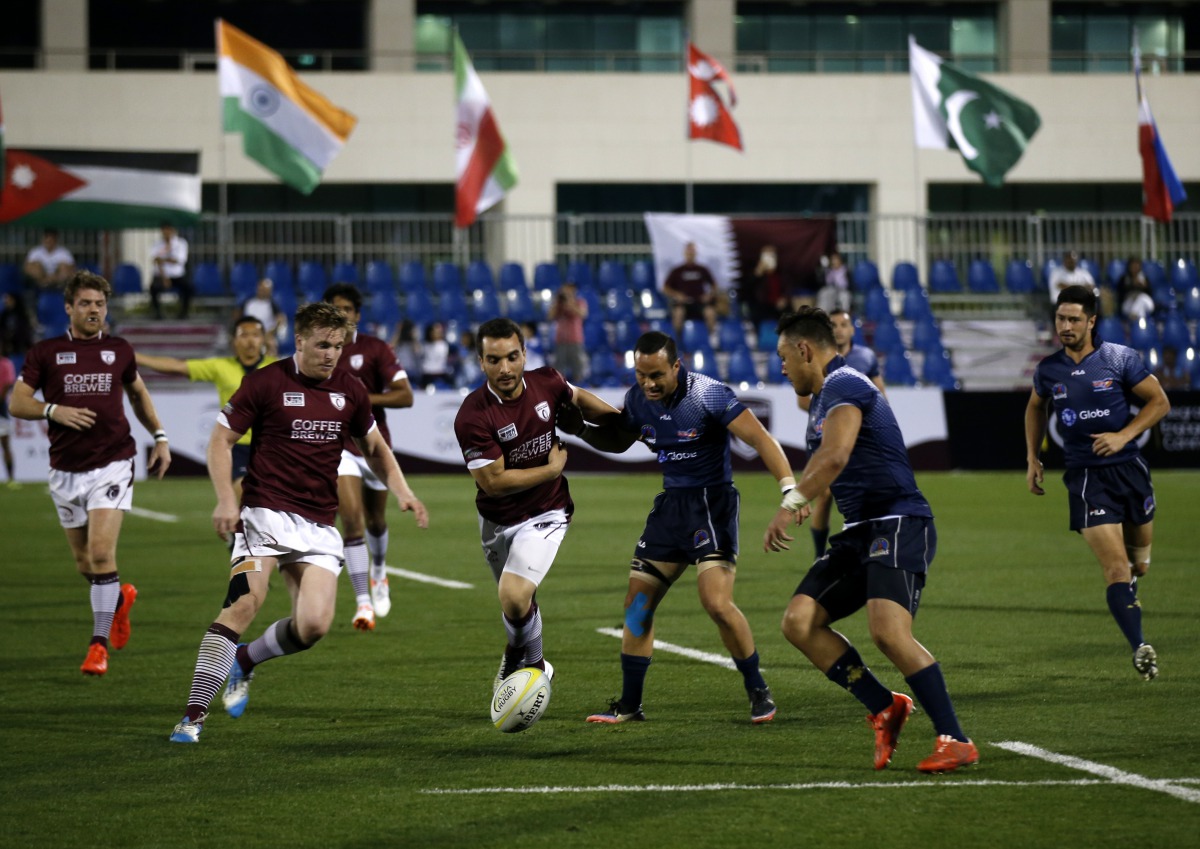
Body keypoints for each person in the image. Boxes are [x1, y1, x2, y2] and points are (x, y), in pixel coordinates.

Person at [168, 302, 428, 744]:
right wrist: (226, 499)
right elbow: (220, 441)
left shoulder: (350, 390)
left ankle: (246, 660)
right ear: (300, 341)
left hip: (317, 525)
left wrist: (404, 492)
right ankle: (192, 717)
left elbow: (375, 448)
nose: (331, 354)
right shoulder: (265, 381)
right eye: (323, 345)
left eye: (338, 346)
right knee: (244, 604)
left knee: (313, 626)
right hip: (263, 514)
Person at [763, 307, 977, 773]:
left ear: (804, 350)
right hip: (859, 531)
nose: (781, 368)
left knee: (888, 633)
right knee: (799, 622)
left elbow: (835, 456)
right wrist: (811, 500)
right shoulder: (822, 399)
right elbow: (830, 466)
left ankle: (955, 739)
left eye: (783, 357)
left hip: (897, 522)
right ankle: (884, 706)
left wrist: (791, 502)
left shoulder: (845, 384)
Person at [580, 330, 797, 725]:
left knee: (716, 603)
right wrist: (578, 429)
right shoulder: (637, 399)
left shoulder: (708, 395)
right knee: (637, 607)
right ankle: (630, 704)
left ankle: (757, 689)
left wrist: (788, 490)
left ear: (677, 366)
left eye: (656, 375)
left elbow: (761, 439)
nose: (648, 384)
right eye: (641, 375)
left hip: (711, 505)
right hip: (671, 509)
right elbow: (619, 439)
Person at [10, 271, 171, 676]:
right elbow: (17, 402)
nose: (94, 310)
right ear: (69, 307)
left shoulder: (119, 349)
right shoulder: (46, 352)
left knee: (101, 553)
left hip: (112, 462)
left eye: (100, 303)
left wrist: (160, 436)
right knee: (85, 563)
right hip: (65, 470)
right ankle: (117, 600)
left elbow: (138, 393)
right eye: (85, 303)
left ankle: (97, 647)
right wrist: (53, 410)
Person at [453, 317, 620, 695]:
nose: (505, 368)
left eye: (512, 357)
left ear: (525, 354)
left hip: (547, 511)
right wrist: (551, 470)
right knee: (516, 604)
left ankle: (535, 665)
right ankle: (518, 652)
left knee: (514, 595)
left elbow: (579, 398)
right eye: (494, 360)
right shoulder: (473, 415)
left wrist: (618, 420)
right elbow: (493, 482)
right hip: (497, 519)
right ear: (480, 362)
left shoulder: (547, 382)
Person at [1025, 285, 1170, 681]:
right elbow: (1035, 405)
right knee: (1116, 568)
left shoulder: (1119, 358)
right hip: (1086, 479)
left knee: (1139, 566)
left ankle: (1130, 598)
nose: (1065, 326)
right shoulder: (1048, 369)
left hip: (1130, 472)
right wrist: (1033, 456)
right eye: (1060, 318)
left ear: (1091, 321)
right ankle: (1140, 646)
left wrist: (1124, 435)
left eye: (1074, 319)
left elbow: (1160, 402)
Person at [324, 283, 415, 629]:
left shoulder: (375, 349)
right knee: (352, 520)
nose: (341, 315)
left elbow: (405, 396)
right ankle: (363, 603)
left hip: (374, 446)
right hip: (339, 448)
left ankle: (378, 569)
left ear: (357, 315)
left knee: (376, 520)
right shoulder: (321, 352)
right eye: (335, 309)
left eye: (347, 309)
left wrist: (360, 399)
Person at [135, 315, 276, 504]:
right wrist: (133, 356)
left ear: (263, 339)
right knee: (243, 491)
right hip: (236, 444)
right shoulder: (220, 366)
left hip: (269, 445)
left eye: (256, 335)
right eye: (244, 335)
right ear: (234, 340)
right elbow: (177, 367)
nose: (250, 341)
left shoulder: (277, 367)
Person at [800, 308, 885, 559]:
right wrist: (836, 411)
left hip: (858, 435)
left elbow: (880, 395)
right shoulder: (816, 357)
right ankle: (819, 555)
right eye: (833, 325)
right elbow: (802, 400)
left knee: (864, 491)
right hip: (825, 434)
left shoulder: (866, 357)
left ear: (852, 330)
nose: (838, 329)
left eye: (843, 324)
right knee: (825, 494)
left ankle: (865, 548)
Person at [662, 242, 718, 338]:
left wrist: (709, 295)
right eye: (688, 252)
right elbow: (665, 288)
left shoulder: (702, 269)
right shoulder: (677, 270)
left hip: (699, 302)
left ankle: (711, 338)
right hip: (684, 303)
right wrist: (676, 295)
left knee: (710, 313)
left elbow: (714, 286)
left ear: (695, 253)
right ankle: (677, 340)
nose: (690, 254)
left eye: (692, 252)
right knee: (678, 314)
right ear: (684, 253)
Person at [149, 223, 191, 320]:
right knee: (153, 288)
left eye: (168, 230)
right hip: (161, 276)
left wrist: (163, 259)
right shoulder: (157, 244)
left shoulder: (181, 243)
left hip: (177, 276)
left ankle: (183, 313)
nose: (166, 233)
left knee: (188, 288)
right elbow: (156, 261)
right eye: (164, 230)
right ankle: (157, 313)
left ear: (173, 230)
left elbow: (179, 260)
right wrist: (164, 278)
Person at [548, 281, 588, 384]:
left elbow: (583, 314)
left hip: (575, 340)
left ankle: (580, 388)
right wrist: (557, 303)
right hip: (560, 340)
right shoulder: (558, 304)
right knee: (558, 370)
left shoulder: (580, 302)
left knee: (578, 368)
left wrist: (570, 301)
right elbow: (550, 316)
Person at [238, 278, 286, 356]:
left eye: (266, 290)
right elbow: (238, 316)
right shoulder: (249, 302)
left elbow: (280, 318)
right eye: (261, 289)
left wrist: (272, 331)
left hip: (267, 333)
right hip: (249, 333)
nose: (263, 292)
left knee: (271, 344)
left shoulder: (272, 304)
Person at [746, 244, 786, 325]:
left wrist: (785, 298)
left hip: (778, 309)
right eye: (766, 257)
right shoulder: (756, 273)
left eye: (772, 256)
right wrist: (756, 274)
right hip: (761, 309)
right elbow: (747, 290)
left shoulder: (781, 273)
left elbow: (788, 287)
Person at [1, 290, 34, 358]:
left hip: (20, 345)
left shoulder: (22, 314)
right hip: (7, 345)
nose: (6, 302)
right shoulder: (4, 315)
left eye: (9, 300)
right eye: (6, 300)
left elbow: (25, 331)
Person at [0, 352, 17, 487]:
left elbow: (8, 384)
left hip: (1, 408)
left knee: (5, 444)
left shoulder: (5, 364)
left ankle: (11, 478)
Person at [419, 321, 452, 388]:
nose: (438, 333)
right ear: (430, 332)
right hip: (427, 374)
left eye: (439, 331)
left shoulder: (444, 345)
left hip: (441, 373)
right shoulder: (424, 345)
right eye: (435, 331)